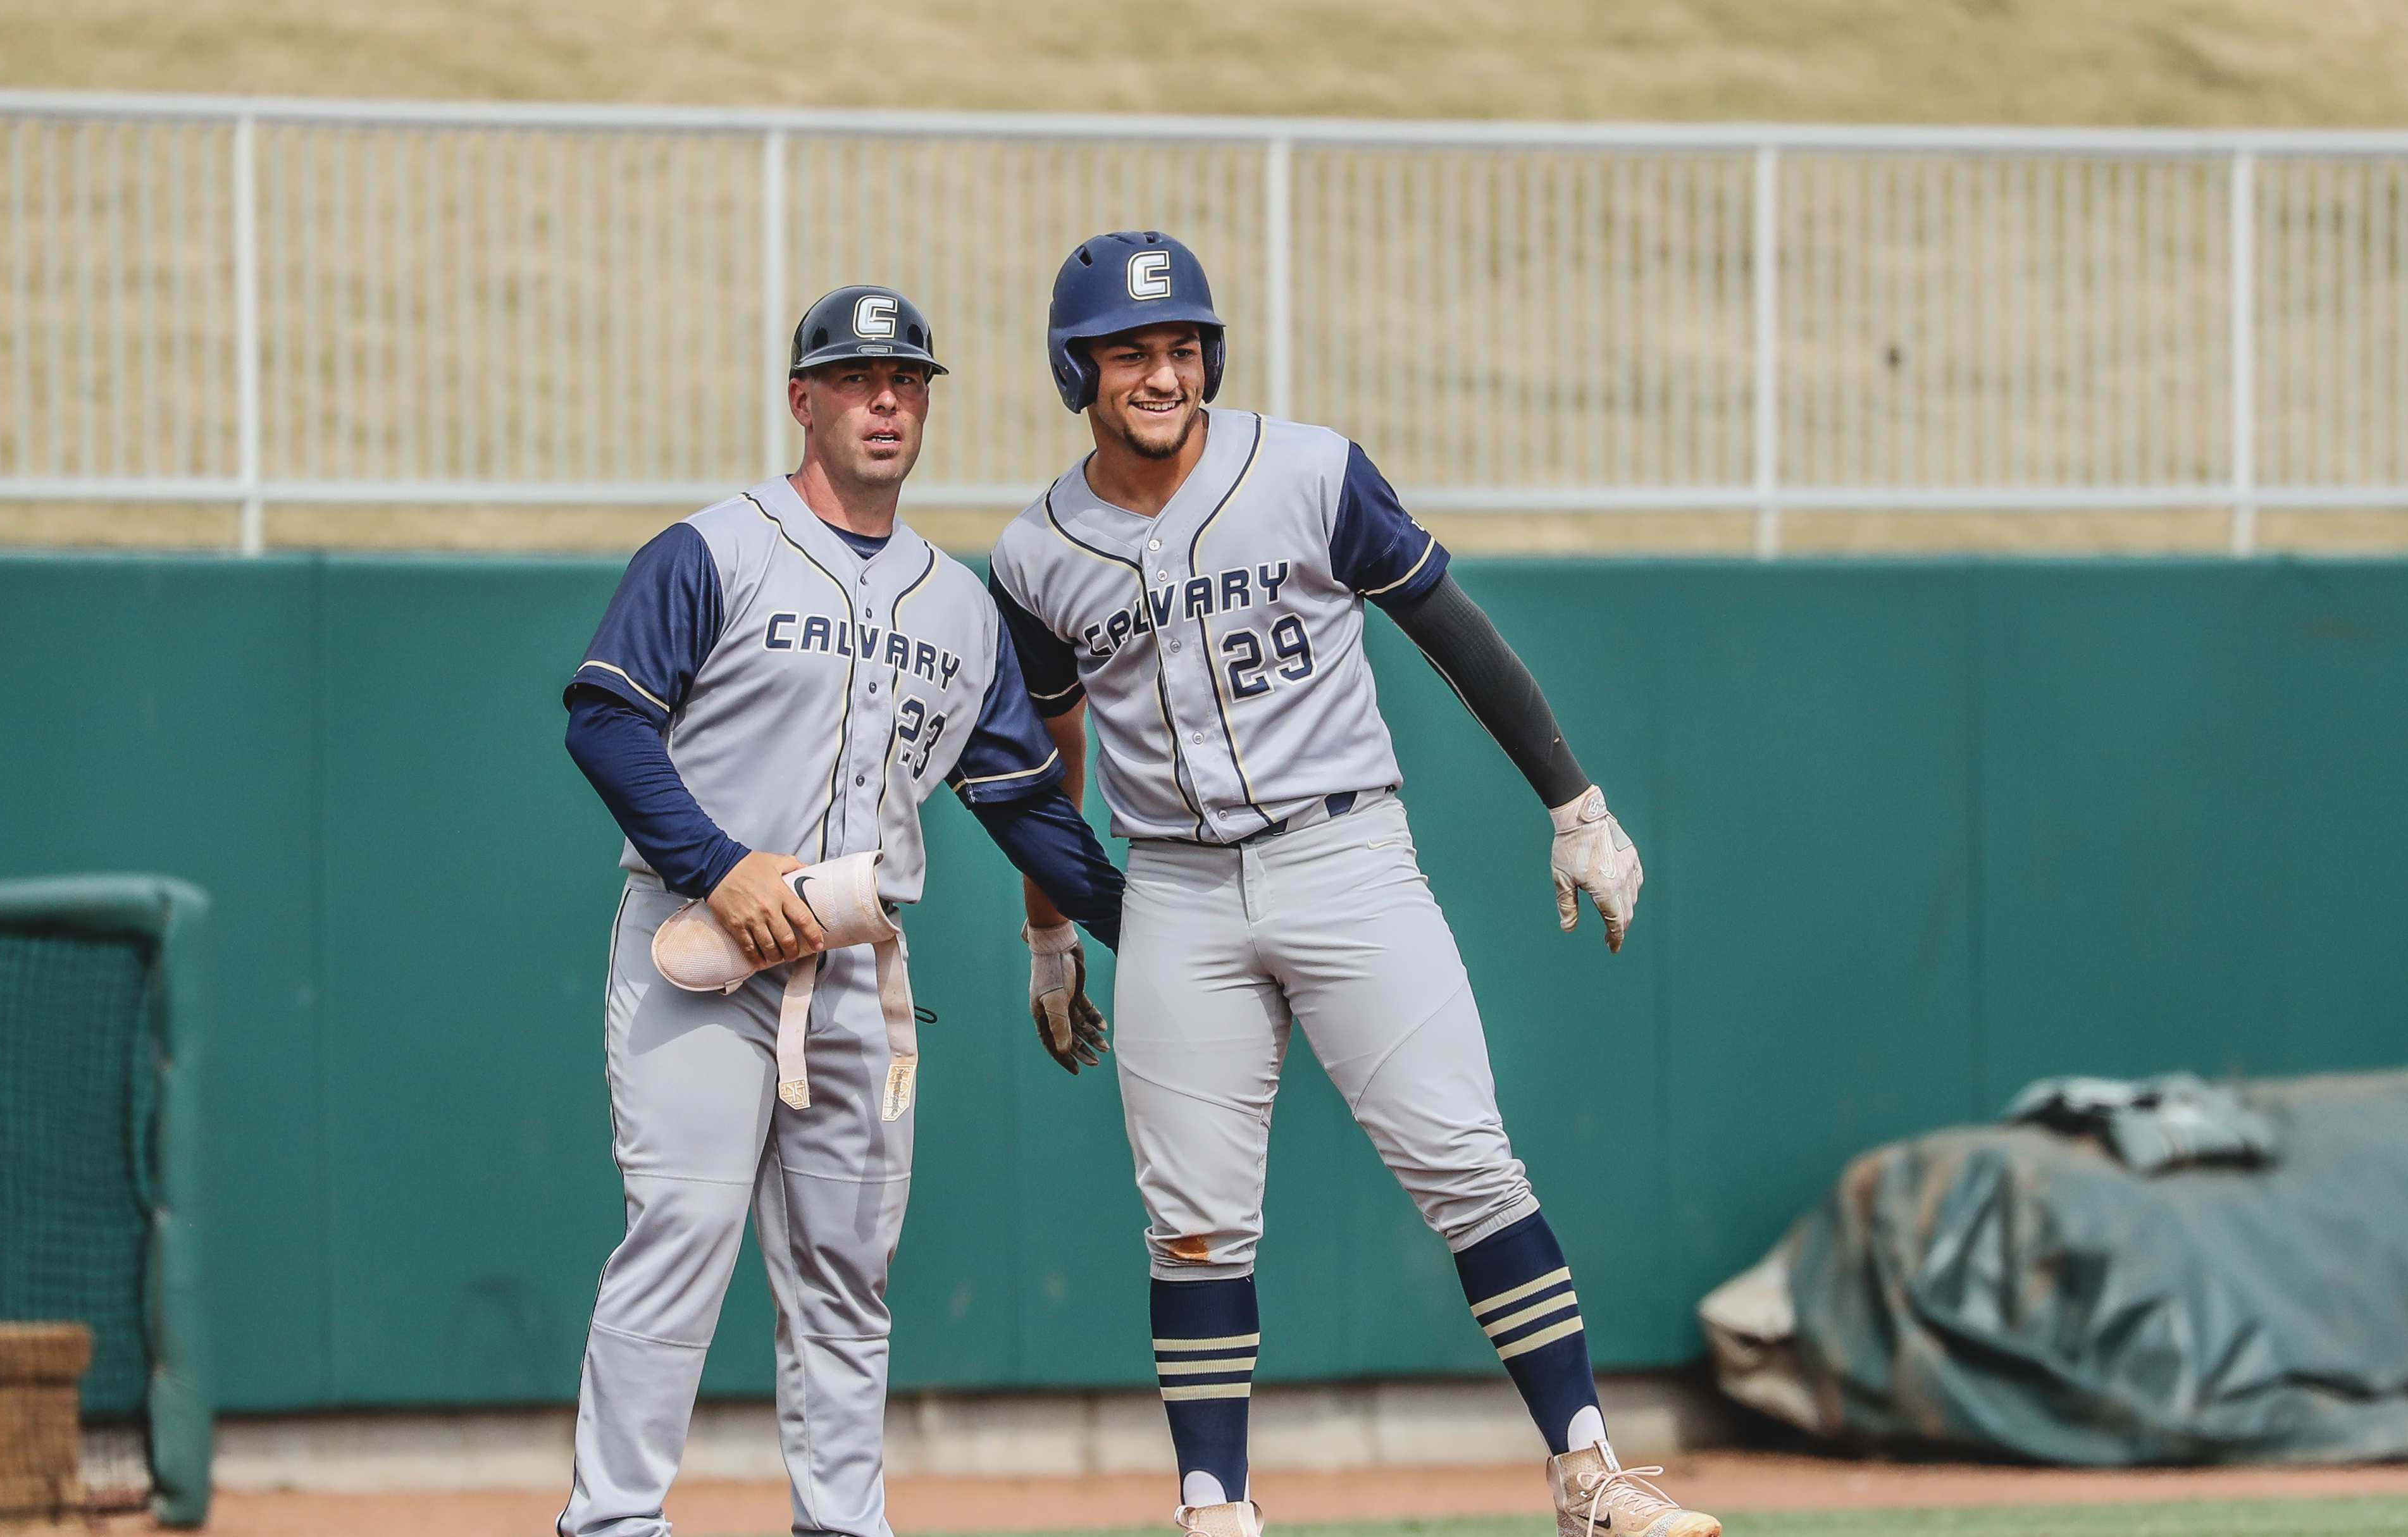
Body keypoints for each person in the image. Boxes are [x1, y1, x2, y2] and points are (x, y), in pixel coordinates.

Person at [990, 233, 1717, 1537]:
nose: (1163, 374)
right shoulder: (1038, 551)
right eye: (1130, 353)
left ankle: (1587, 1471)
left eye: (1180, 347)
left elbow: (1449, 629)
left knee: (1468, 1166)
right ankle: (1214, 1507)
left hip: (1343, 853)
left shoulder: (1310, 470)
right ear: (1076, 370)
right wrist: (1049, 928)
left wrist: (1576, 803)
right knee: (1195, 1224)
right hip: (1177, 892)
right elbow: (1056, 749)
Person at [558, 285, 1122, 1537]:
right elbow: (606, 722)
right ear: (802, 398)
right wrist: (717, 863)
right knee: (682, 1233)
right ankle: (610, 1524)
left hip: (858, 964)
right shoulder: (711, 550)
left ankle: (842, 1525)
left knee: (845, 1275)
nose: (886, 400)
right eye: (859, 378)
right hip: (695, 943)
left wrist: (1143, 926)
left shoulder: (958, 605)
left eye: (908, 380)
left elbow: (1025, 804)